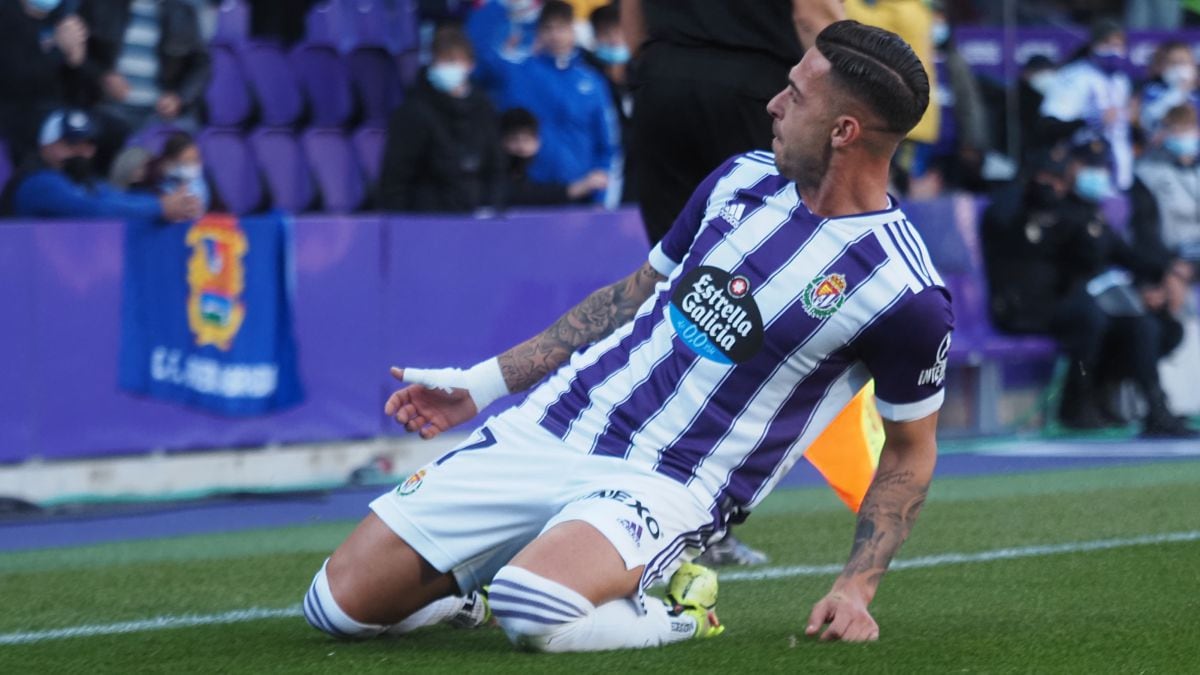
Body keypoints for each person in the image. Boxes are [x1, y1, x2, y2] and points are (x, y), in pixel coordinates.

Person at [303, 21, 951, 651]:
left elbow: (908, 450)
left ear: (844, 131)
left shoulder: (904, 292)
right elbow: (627, 296)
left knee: (534, 606)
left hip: (668, 481)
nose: (774, 104)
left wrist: (855, 588)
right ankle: (476, 583)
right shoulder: (740, 178)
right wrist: (482, 384)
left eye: (796, 96)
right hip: (556, 424)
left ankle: (678, 611)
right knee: (334, 607)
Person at [981, 138, 1193, 437]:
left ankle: (1154, 409)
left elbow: (1119, 252)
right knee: (1091, 318)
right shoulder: (1018, 205)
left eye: (1056, 179)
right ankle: (1076, 404)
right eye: (1046, 177)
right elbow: (1051, 252)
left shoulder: (1083, 210)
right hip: (1030, 306)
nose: (1052, 185)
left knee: (1145, 327)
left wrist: (1170, 273)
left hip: (1068, 302)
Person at [623, 0, 844, 245]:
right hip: (754, 87)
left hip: (664, 77)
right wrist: (844, 100)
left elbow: (633, 22)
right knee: (762, 243)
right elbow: (812, 18)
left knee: (671, 249)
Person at [492, 1, 618, 205]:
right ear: (539, 33)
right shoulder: (518, 74)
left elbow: (607, 143)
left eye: (562, 28)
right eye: (548, 28)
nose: (556, 35)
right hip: (529, 195)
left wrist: (600, 194)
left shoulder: (591, 81)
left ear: (573, 31)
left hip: (581, 195)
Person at [378, 26, 504, 213]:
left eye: (453, 61)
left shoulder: (483, 109)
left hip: (475, 219)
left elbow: (496, 168)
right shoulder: (414, 111)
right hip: (427, 220)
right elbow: (396, 177)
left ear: (470, 65)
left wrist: (491, 207)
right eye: (440, 61)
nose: (446, 68)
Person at [75, 0, 211, 169]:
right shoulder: (100, 5)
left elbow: (201, 64)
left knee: (183, 150)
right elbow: (77, 55)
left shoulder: (183, 12)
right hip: (108, 108)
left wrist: (179, 97)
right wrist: (102, 76)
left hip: (158, 113)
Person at [5, 108, 201, 222]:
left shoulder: (80, 181)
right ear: (46, 145)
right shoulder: (38, 183)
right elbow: (93, 210)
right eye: (72, 144)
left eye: (87, 144)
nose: (82, 152)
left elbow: (116, 198)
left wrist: (174, 204)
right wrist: (160, 207)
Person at [1039, 19, 1134, 191]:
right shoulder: (1073, 75)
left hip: (1119, 169)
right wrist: (1091, 120)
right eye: (1107, 43)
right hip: (1082, 165)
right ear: (1094, 45)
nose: (1114, 50)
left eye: (1118, 44)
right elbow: (1052, 124)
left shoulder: (1122, 81)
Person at [0, 0, 90, 167]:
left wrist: (75, 61)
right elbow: (18, 78)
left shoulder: (64, 17)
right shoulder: (7, 16)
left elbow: (78, 88)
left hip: (53, 116)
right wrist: (59, 50)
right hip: (14, 125)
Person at [498, 107, 608, 207]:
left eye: (527, 140)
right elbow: (525, 194)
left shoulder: (537, 174)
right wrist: (574, 189)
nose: (521, 148)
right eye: (514, 140)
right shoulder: (494, 179)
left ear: (538, 142)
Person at [466, 0, 543, 110]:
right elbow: (475, 68)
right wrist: (503, 55)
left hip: (539, 109)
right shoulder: (484, 15)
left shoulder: (548, 19)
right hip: (495, 105)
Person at [1137, 41, 1200, 137]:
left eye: (1183, 62)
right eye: (1173, 63)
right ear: (1162, 66)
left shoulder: (1195, 94)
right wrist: (1179, 90)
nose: (1179, 68)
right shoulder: (1153, 90)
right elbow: (1148, 120)